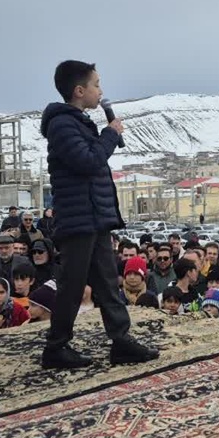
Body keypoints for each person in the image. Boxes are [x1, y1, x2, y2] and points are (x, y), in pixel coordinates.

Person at [40, 60, 157, 369]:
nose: (100, 91)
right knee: (72, 286)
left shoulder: (77, 122)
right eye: (96, 85)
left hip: (94, 217)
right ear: (79, 91)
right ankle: (56, 348)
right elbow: (88, 161)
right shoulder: (62, 124)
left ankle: (121, 342)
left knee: (107, 282)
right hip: (79, 220)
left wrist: (106, 136)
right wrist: (109, 134)